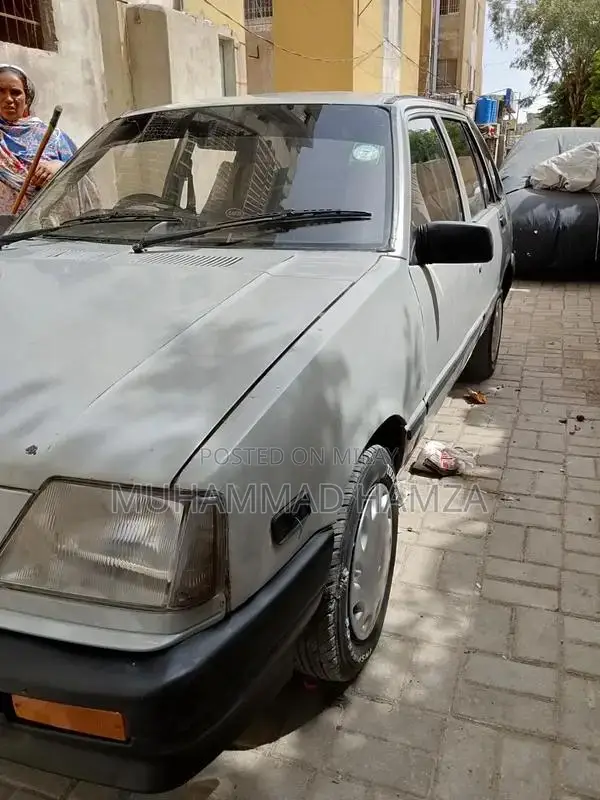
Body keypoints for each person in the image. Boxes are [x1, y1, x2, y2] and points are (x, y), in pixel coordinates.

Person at [0, 64, 77, 214]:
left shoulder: (54, 137)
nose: (9, 99)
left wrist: (58, 167)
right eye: (0, 91)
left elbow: (80, 175)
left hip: (46, 229)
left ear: (27, 99)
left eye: (15, 92)